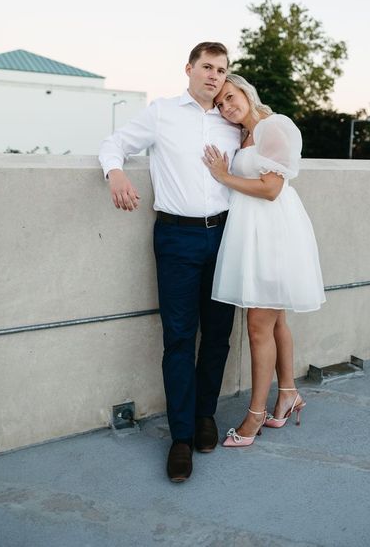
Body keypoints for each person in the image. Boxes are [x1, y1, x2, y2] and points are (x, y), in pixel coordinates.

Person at [99, 43, 240, 481]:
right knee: (179, 338)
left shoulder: (232, 121)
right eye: (207, 67)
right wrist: (116, 172)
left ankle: (204, 419)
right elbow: (114, 144)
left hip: (225, 237)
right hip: (176, 236)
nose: (214, 76)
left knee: (217, 336)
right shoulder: (162, 112)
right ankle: (180, 438)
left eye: (222, 70)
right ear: (190, 69)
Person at [202, 73, 325, 446]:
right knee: (275, 322)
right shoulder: (243, 135)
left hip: (272, 233)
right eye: (220, 104)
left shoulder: (273, 126)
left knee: (259, 326)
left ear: (245, 91)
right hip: (253, 233)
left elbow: (271, 189)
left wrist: (223, 176)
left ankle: (254, 416)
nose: (226, 106)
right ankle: (287, 394)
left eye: (230, 96)